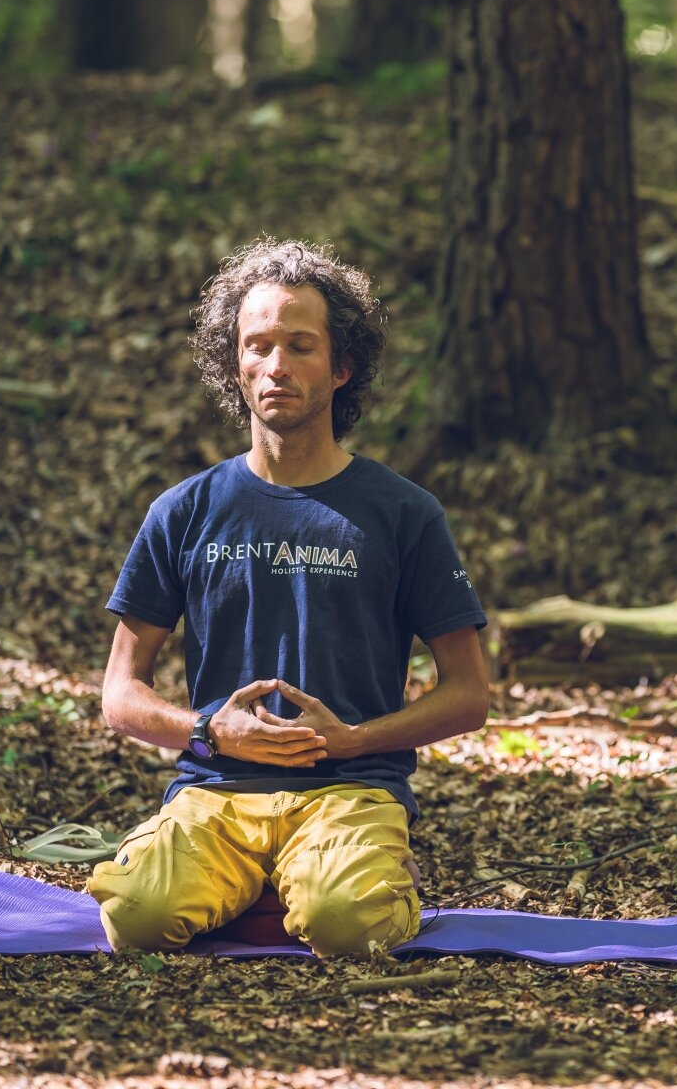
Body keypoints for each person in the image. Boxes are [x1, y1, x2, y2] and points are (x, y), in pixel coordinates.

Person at [84, 239, 491, 958]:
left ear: (342, 368)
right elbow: (120, 692)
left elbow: (469, 694)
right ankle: (263, 883)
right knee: (136, 921)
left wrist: (356, 740)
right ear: (232, 364)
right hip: (215, 792)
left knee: (347, 929)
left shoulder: (403, 513)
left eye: (300, 346)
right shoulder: (183, 511)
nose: (277, 366)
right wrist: (210, 732)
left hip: (352, 789)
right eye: (258, 345)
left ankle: (337, 879)